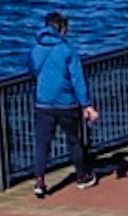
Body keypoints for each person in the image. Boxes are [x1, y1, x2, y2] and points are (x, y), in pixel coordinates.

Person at [29, 10, 96, 196]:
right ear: (62, 29)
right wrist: (86, 104)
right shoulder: (67, 50)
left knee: (43, 144)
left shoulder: (36, 49)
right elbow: (77, 79)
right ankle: (81, 176)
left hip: (43, 102)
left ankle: (40, 181)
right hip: (66, 102)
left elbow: (33, 69)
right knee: (74, 140)